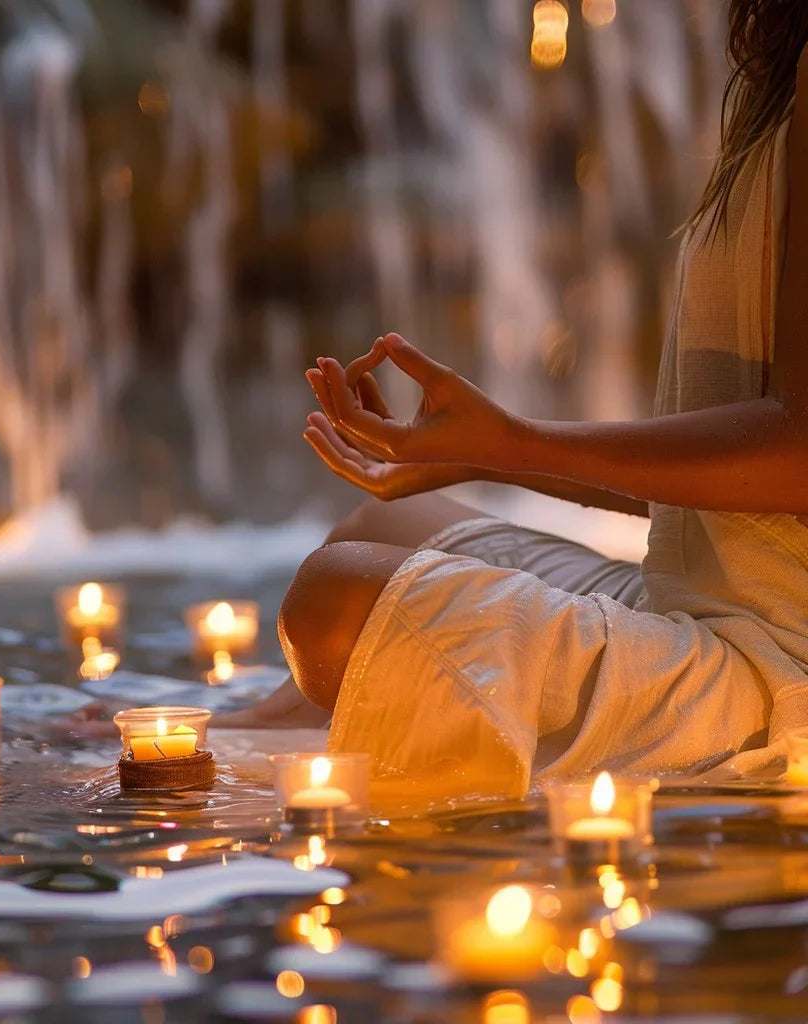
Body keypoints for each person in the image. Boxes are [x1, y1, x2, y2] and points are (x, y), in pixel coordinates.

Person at [230, 0, 808, 798]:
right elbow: (736, 502)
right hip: (705, 614)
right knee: (382, 529)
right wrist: (474, 452)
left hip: (776, 674)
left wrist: (515, 442)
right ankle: (237, 734)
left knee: (336, 604)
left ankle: (249, 750)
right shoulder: (779, 73)